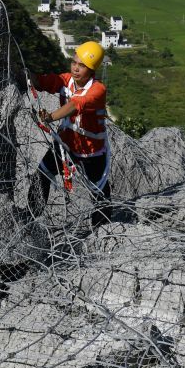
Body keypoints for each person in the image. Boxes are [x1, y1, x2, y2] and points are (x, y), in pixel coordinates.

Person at [29, 40, 111, 229]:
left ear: (91, 69)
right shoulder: (67, 80)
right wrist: (26, 74)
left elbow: (75, 105)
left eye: (82, 65)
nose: (75, 68)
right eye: (74, 62)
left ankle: (103, 228)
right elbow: (44, 82)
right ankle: (31, 215)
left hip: (91, 151)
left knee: (98, 190)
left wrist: (50, 117)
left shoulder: (98, 90)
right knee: (42, 173)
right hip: (66, 144)